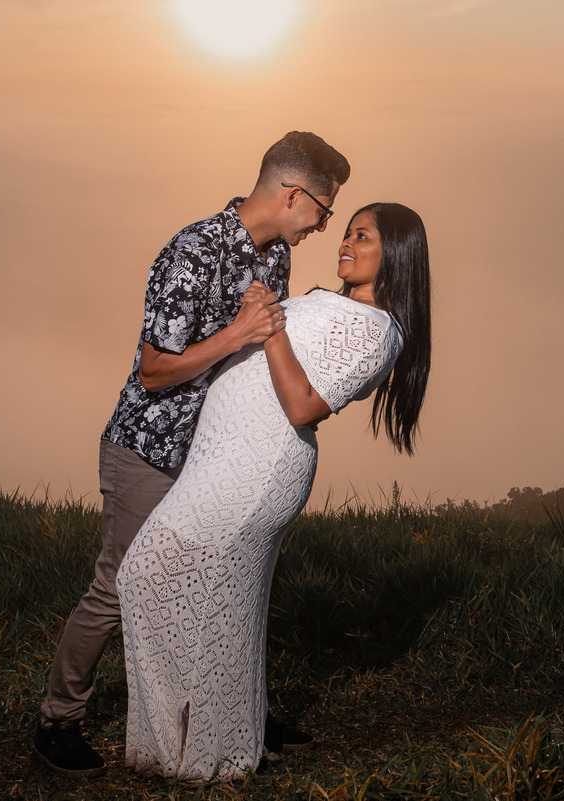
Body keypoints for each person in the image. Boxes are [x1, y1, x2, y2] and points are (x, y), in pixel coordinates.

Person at [35, 131, 351, 779]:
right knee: (119, 587)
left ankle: (234, 713)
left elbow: (264, 350)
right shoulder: (193, 250)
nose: (324, 226)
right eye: (323, 210)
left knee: (224, 578)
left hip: (220, 453)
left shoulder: (274, 261)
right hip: (152, 449)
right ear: (293, 195)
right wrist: (240, 331)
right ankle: (57, 720)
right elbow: (154, 370)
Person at [116, 203, 432, 781]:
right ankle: (201, 746)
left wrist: (272, 326)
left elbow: (304, 403)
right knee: (214, 604)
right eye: (346, 231)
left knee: (149, 577)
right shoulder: (334, 303)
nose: (346, 242)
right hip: (223, 457)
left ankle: (206, 755)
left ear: (398, 256)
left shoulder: (378, 330)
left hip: (259, 468)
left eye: (362, 235)